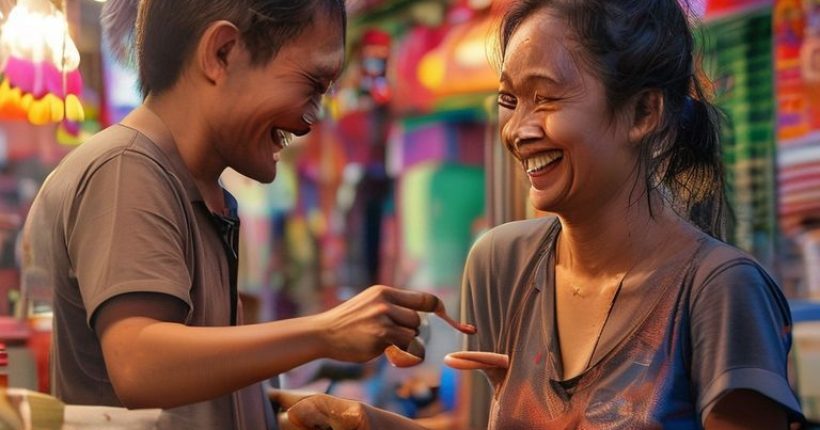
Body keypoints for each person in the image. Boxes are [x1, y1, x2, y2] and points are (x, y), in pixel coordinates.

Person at [273, 0, 805, 429]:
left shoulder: (721, 291)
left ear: (643, 112)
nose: (518, 130)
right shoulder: (502, 264)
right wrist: (366, 420)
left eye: (545, 98)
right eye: (509, 100)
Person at [20, 1, 453, 429]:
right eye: (312, 84)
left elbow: (178, 391)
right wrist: (326, 332)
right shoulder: (126, 170)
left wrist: (266, 408)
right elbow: (139, 364)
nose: (311, 119)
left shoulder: (196, 190)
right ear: (222, 53)